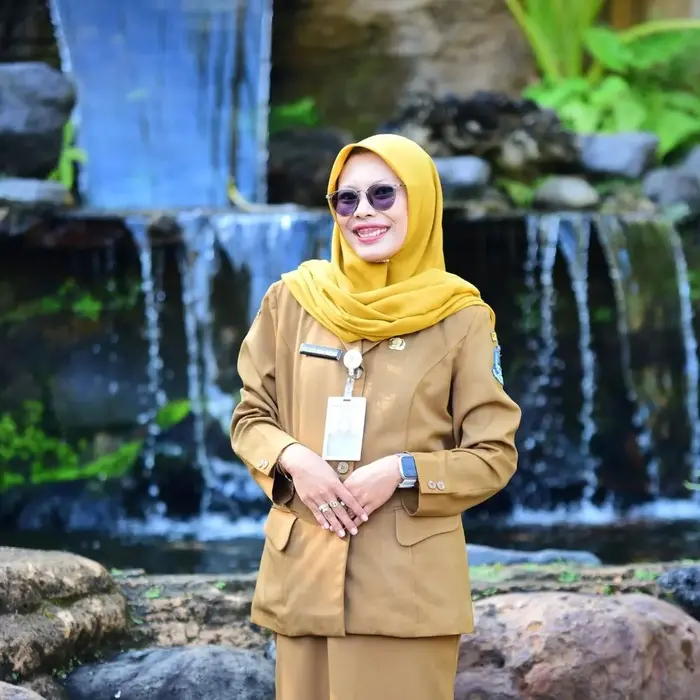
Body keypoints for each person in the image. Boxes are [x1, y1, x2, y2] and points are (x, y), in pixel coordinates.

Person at [230, 133, 522, 700]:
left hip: (405, 593)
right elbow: (250, 418)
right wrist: (293, 458)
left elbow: (493, 456)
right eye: (346, 199)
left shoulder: (463, 318)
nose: (362, 211)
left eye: (383, 194)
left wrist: (403, 470)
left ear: (422, 200)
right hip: (303, 580)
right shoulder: (291, 301)